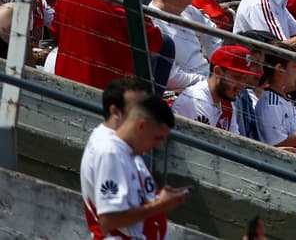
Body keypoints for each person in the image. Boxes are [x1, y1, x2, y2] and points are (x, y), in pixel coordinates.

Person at [80, 94, 187, 239]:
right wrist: (159, 205)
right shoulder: (111, 154)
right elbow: (109, 219)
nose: (158, 145)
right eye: (157, 138)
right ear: (141, 125)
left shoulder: (128, 152)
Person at [171, 44, 262, 133]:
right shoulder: (196, 101)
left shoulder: (227, 103)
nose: (242, 86)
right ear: (218, 72)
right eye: (237, 77)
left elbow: (234, 142)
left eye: (245, 78)